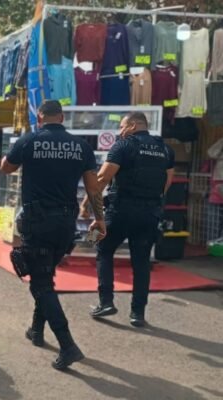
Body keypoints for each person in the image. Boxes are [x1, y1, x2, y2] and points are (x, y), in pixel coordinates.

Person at [0, 100, 106, 371]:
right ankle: (36, 329)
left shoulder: (29, 140)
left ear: (39, 117)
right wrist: (99, 219)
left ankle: (67, 345)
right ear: (61, 117)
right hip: (66, 223)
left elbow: (6, 168)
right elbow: (93, 188)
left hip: (38, 222)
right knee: (45, 273)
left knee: (41, 284)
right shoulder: (81, 146)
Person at [90, 112, 175, 327]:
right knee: (141, 262)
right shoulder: (165, 149)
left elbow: (102, 178)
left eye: (122, 126)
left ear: (134, 125)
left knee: (103, 249)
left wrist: (88, 206)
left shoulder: (123, 146)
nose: (120, 131)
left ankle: (106, 301)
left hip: (121, 210)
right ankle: (138, 313)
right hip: (149, 213)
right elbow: (166, 183)